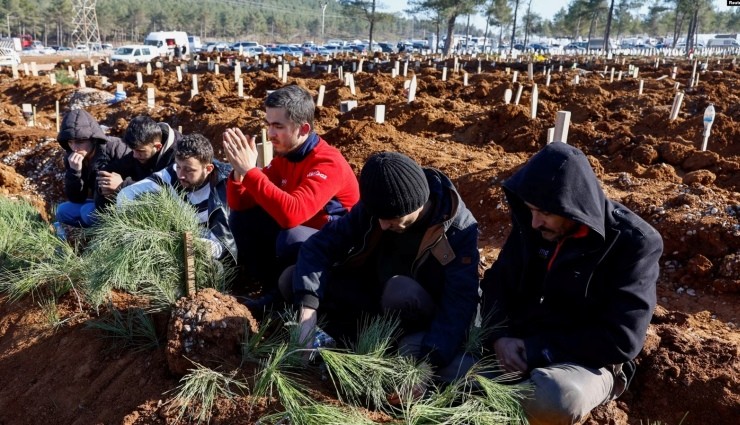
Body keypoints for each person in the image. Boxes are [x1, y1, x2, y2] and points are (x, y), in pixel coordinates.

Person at [479, 143, 663, 425]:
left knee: (555, 398)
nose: (535, 222)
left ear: (572, 207)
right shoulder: (532, 225)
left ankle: (491, 395)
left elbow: (622, 339)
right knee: (443, 361)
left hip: (583, 361)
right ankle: (492, 392)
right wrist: (499, 337)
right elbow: (497, 283)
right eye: (530, 210)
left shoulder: (633, 244)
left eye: (545, 213)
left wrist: (536, 349)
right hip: (515, 345)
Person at [285, 151, 480, 383]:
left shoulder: (457, 229)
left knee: (399, 290)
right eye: (379, 217)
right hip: (373, 300)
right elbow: (319, 246)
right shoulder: (378, 206)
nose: (383, 225)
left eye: (391, 218)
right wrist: (308, 313)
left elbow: (460, 302)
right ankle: (349, 343)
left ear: (416, 204)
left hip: (421, 312)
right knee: (291, 279)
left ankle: (385, 351)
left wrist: (429, 363)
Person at [222, 84, 359, 304]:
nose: (270, 133)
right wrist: (239, 173)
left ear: (304, 129)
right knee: (243, 219)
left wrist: (250, 171)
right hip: (307, 233)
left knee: (289, 237)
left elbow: (291, 214)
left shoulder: (327, 162)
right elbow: (240, 203)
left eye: (278, 126)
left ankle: (287, 300)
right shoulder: (286, 157)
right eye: (268, 124)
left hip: (341, 248)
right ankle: (269, 288)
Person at [117, 133, 236, 263]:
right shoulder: (171, 175)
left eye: (189, 170)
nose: (181, 175)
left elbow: (224, 243)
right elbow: (126, 195)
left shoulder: (225, 185)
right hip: (179, 239)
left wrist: (191, 246)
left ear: (208, 168)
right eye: (178, 167)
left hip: (213, 249)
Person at [56, 108, 129, 227]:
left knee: (87, 212)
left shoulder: (116, 148)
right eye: (70, 142)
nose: (74, 148)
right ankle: (83, 235)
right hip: (96, 202)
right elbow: (76, 198)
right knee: (62, 211)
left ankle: (102, 234)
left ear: (93, 139)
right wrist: (75, 171)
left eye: (80, 142)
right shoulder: (71, 157)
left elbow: (139, 176)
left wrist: (120, 185)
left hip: (121, 202)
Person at [96, 115, 181, 210]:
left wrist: (122, 186)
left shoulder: (178, 158)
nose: (135, 155)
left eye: (140, 151)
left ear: (157, 147)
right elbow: (110, 170)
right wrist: (105, 186)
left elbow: (168, 193)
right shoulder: (140, 149)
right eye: (133, 150)